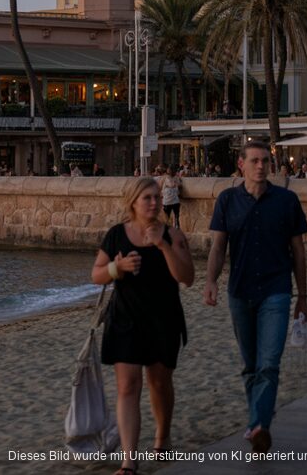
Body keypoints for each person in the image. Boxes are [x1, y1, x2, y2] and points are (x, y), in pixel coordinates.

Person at [204, 141, 307, 454]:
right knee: (250, 365)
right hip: (239, 292)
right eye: (255, 160)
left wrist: (302, 296)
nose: (261, 166)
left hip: (276, 291)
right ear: (241, 165)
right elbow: (218, 246)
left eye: (266, 160)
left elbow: (299, 251)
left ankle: (261, 424)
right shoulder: (227, 200)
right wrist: (210, 281)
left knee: (269, 363)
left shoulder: (287, 200)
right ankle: (256, 421)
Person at [91, 177, 194, 473]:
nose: (154, 202)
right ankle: (129, 459)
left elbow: (187, 277)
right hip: (125, 318)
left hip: (163, 318)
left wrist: (162, 246)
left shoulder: (173, 235)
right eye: (147, 197)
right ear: (133, 202)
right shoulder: (116, 235)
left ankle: (162, 438)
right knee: (127, 386)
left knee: (159, 383)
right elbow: (96, 274)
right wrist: (117, 268)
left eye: (157, 197)